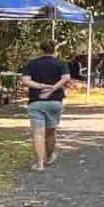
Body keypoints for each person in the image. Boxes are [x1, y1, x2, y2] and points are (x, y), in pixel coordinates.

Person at [21, 40, 70, 171]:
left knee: (38, 134)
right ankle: (49, 157)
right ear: (54, 49)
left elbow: (25, 80)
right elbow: (66, 78)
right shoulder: (60, 63)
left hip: (36, 101)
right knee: (51, 132)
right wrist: (53, 88)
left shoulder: (32, 63)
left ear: (40, 49)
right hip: (55, 101)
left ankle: (39, 164)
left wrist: (40, 86)